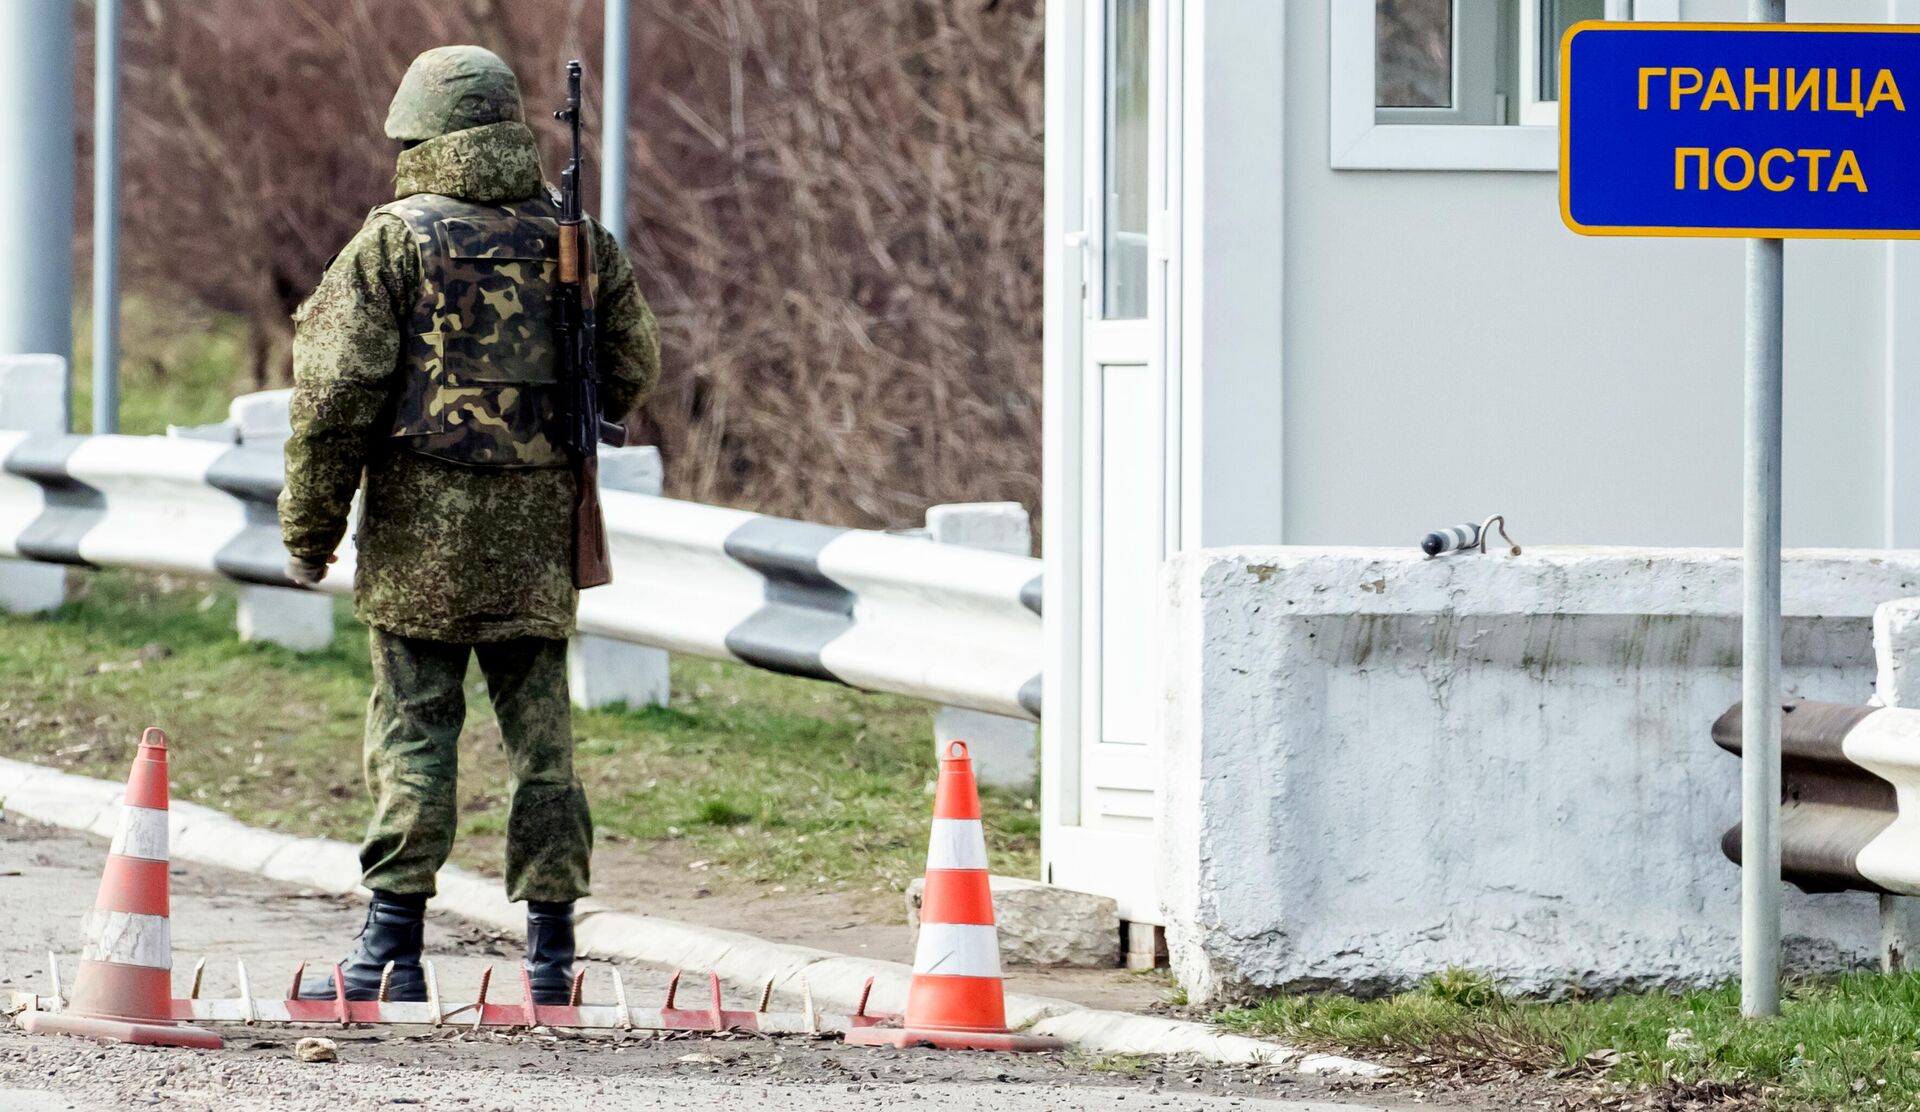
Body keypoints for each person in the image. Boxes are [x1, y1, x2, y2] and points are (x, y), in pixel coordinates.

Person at [278, 45, 661, 1003]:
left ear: (418, 132)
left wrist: (309, 533)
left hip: (419, 541)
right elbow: (633, 365)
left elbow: (332, 400)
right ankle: (552, 957)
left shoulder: (392, 243)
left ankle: (389, 954)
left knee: (413, 733)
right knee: (546, 747)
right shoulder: (575, 237)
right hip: (538, 539)